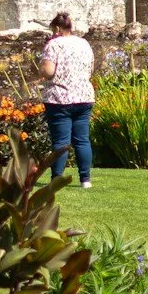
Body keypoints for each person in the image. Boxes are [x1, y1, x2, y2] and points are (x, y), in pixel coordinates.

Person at [39, 12, 95, 187]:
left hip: (60, 98)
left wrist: (41, 68)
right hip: (84, 97)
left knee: (61, 141)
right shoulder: (84, 44)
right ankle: (85, 179)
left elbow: (49, 71)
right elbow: (90, 69)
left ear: (56, 28)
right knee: (82, 139)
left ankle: (57, 178)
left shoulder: (54, 45)